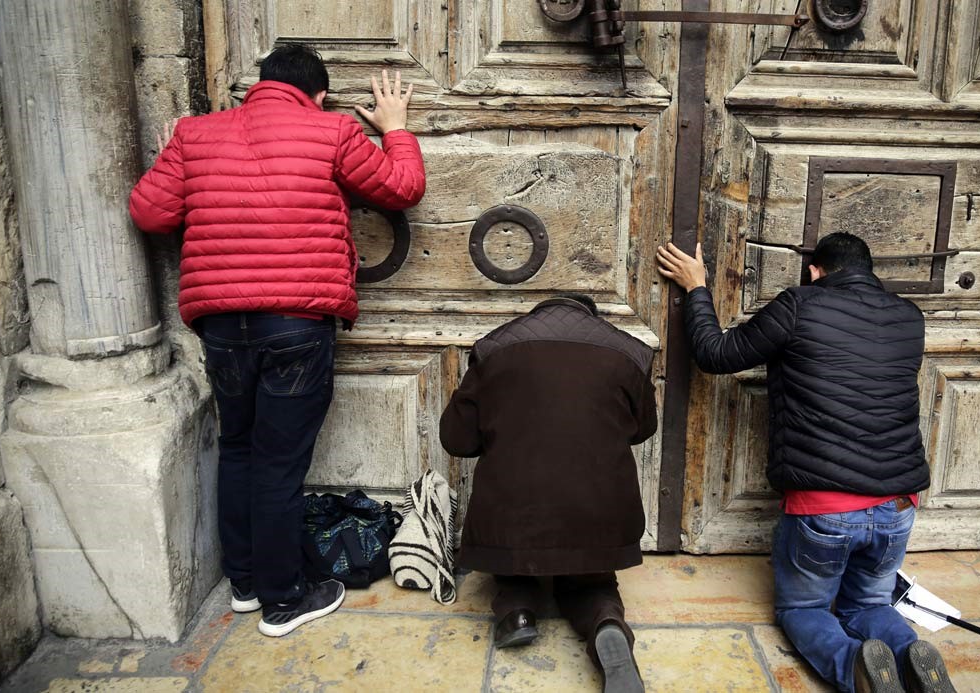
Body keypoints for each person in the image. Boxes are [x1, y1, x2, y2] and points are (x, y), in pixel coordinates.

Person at [128, 43, 426, 637]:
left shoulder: (194, 135)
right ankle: (285, 598)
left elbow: (150, 214)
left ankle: (243, 583)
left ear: (258, 85)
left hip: (221, 327)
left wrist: (170, 158)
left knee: (238, 448)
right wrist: (395, 129)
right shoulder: (332, 131)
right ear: (317, 95)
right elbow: (402, 187)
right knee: (280, 463)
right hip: (296, 323)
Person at [656, 233, 956, 693]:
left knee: (805, 611)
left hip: (825, 507)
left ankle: (856, 669)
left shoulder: (799, 304)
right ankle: (912, 657)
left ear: (815, 271)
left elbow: (716, 354)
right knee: (870, 605)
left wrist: (697, 287)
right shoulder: (908, 317)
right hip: (899, 505)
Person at [440, 293, 656, 693]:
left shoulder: (494, 346)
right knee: (592, 582)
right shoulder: (630, 350)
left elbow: (456, 439)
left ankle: (517, 610)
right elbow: (643, 429)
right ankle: (606, 626)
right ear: (591, 315)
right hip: (600, 518)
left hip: (513, 519)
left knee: (513, 565)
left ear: (537, 313)